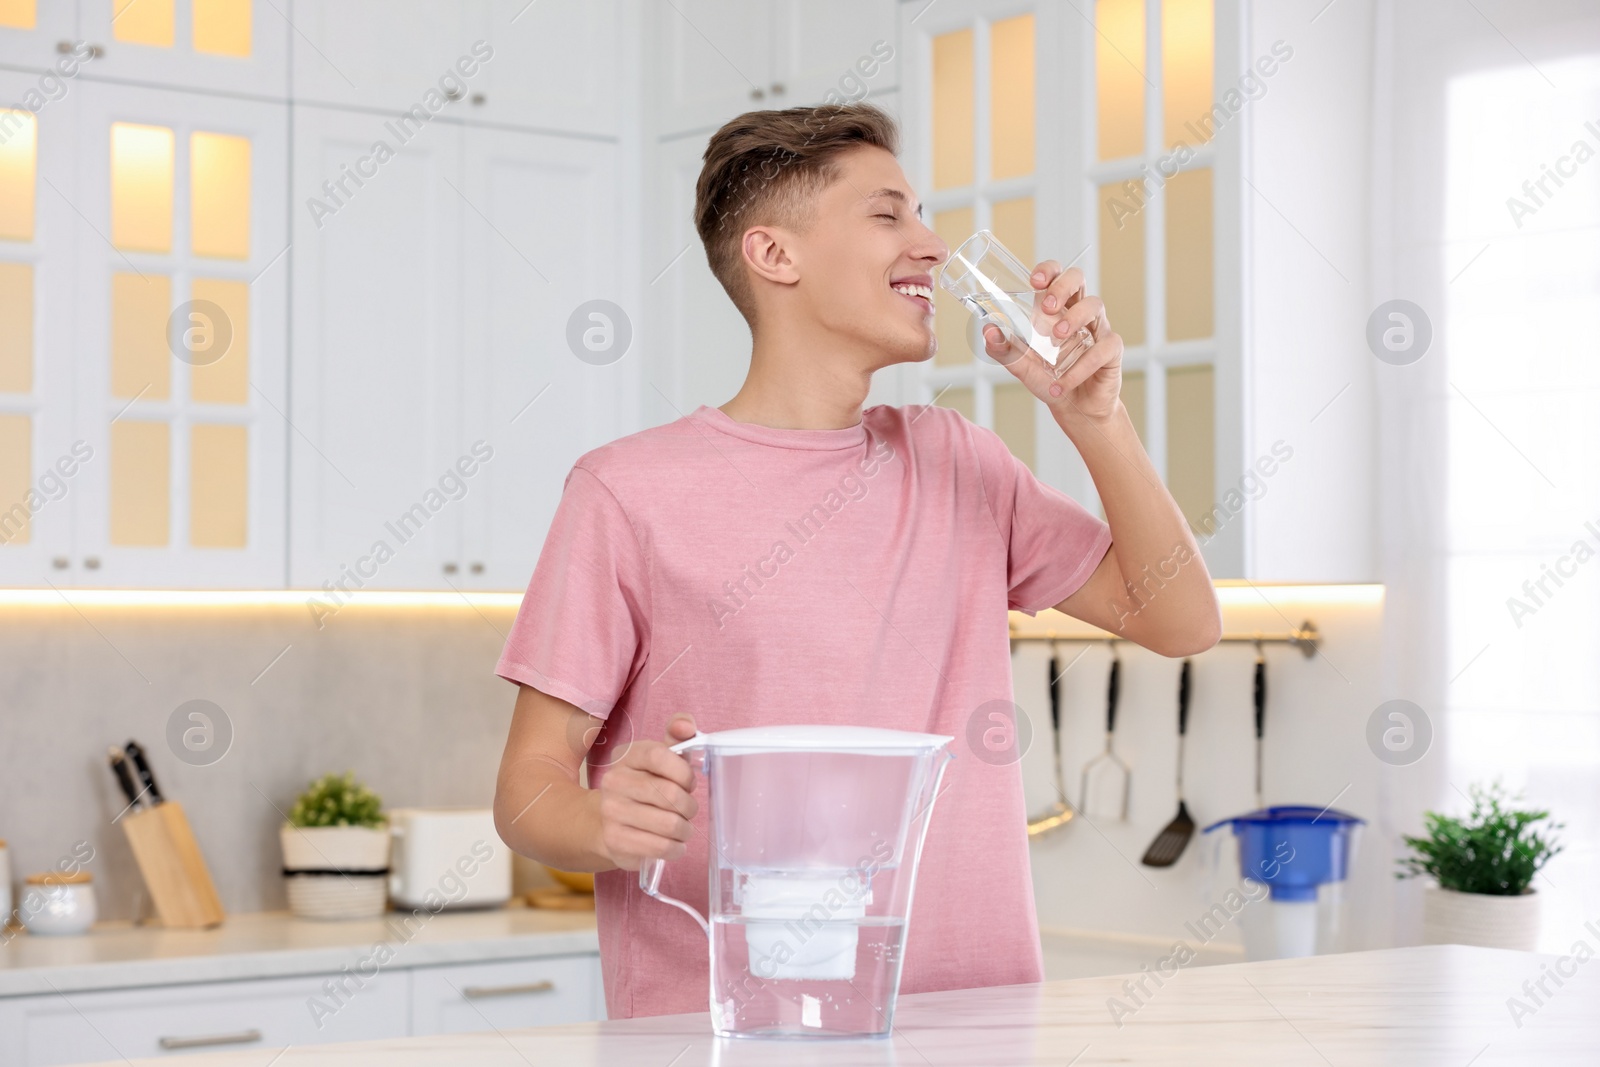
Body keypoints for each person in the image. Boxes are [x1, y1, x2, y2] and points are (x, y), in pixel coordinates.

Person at [492, 102, 1221, 1020]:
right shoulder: (626, 492)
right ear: (774, 256)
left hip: (977, 1024)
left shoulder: (959, 461)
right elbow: (526, 789)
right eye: (889, 215)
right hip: (727, 1032)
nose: (933, 246)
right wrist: (600, 818)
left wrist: (1096, 420)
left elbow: (1183, 619)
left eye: (921, 214)